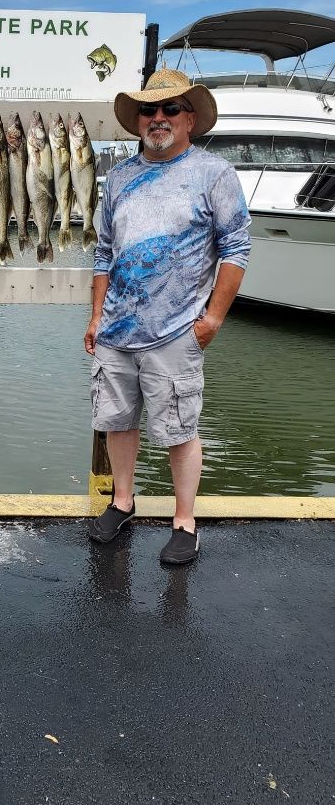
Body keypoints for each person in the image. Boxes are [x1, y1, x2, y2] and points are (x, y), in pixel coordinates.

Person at [84, 68, 251, 564]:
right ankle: (122, 501)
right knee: (117, 421)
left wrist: (214, 319)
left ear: (190, 119)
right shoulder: (117, 178)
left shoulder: (213, 174)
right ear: (138, 120)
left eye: (170, 109)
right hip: (116, 328)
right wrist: (96, 317)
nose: (158, 118)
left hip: (177, 330)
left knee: (180, 428)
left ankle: (184, 521)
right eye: (149, 110)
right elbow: (104, 253)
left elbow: (237, 247)